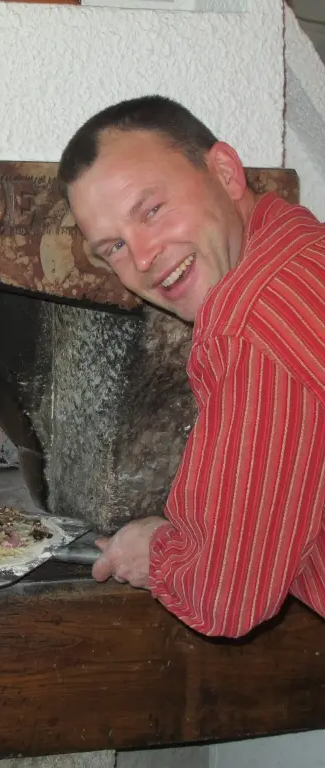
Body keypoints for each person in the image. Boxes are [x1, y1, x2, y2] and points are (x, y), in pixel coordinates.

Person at [58, 95, 325, 638]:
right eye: (113, 246)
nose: (142, 258)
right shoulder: (302, 248)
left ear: (225, 173)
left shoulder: (247, 325)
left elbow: (226, 596)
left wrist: (156, 550)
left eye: (151, 210)